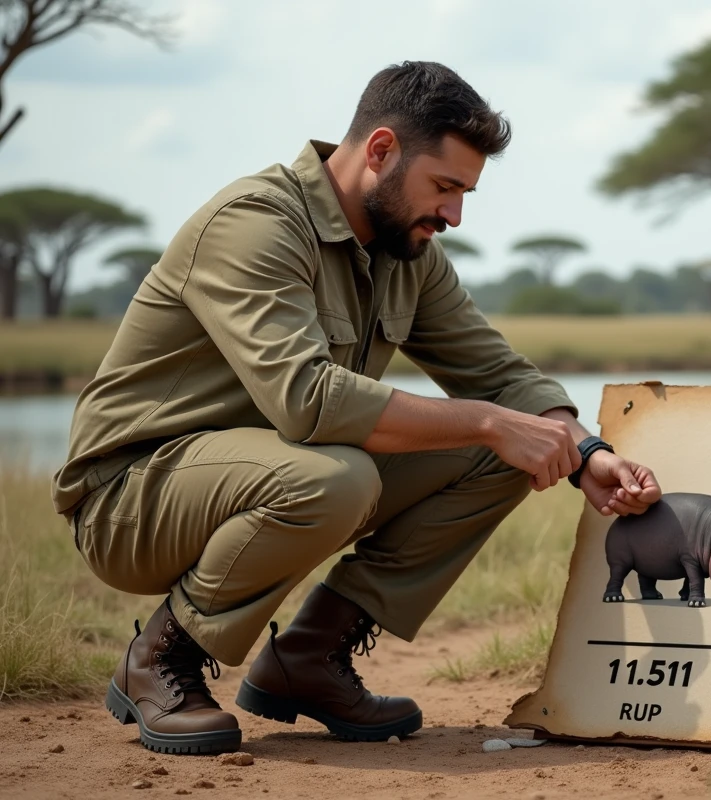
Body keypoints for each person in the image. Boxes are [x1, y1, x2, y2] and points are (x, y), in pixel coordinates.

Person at [50, 61, 661, 756]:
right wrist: (492, 421)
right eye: (446, 186)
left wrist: (586, 454)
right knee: (341, 476)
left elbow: (498, 374)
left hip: (268, 473)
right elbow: (307, 401)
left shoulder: (407, 252)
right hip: (131, 499)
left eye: (466, 192)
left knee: (501, 452)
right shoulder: (253, 224)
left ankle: (308, 659)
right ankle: (161, 659)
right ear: (380, 151)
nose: (455, 215)